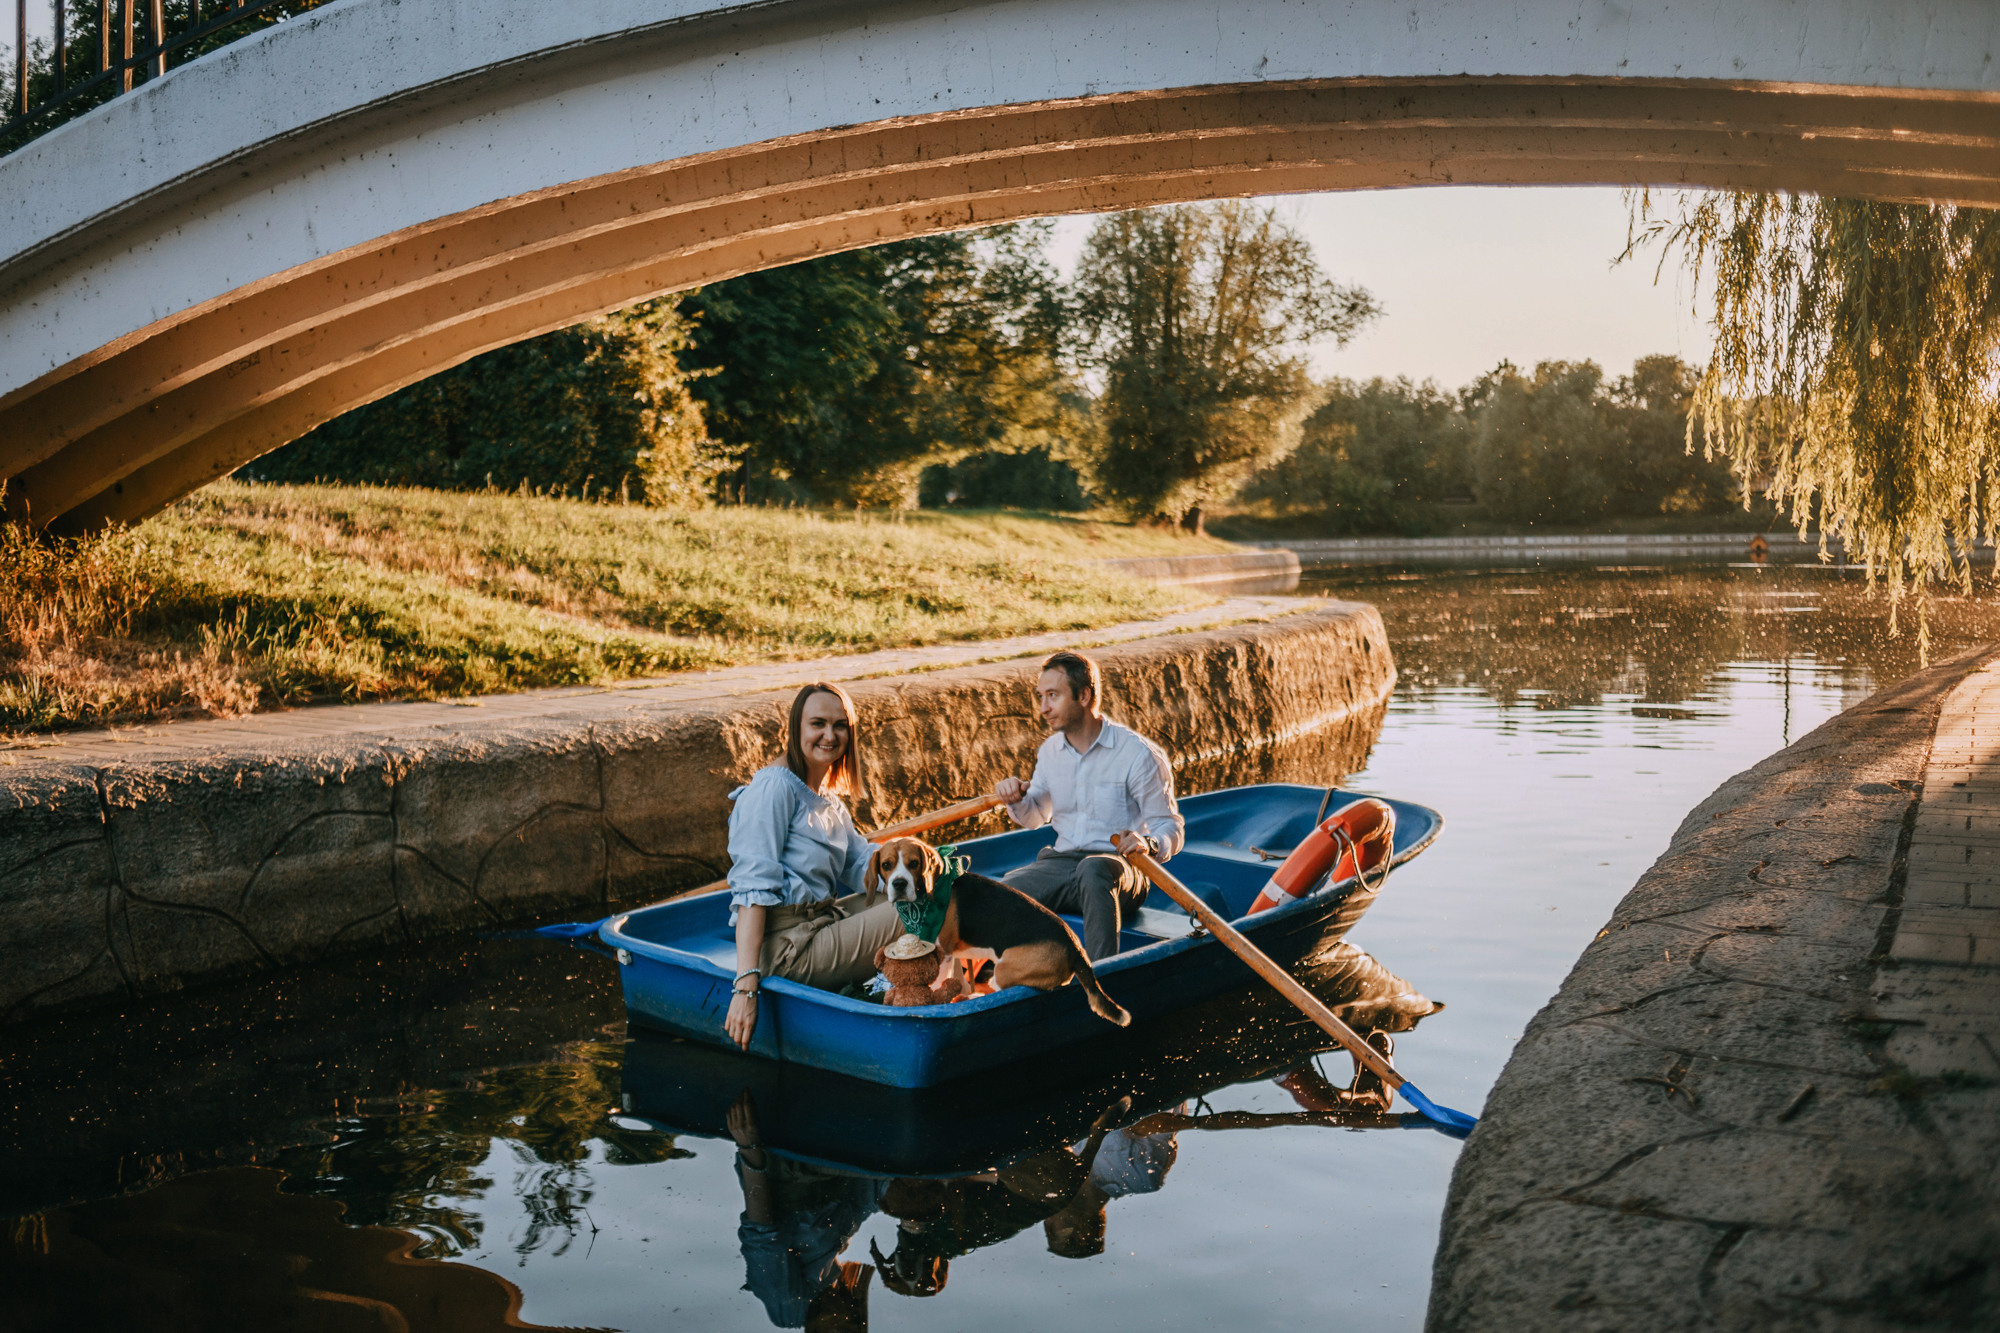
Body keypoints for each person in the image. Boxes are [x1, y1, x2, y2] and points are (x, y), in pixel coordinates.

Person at [726, 682, 905, 1050]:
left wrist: (915, 865)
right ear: (796, 729)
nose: (830, 735)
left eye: (840, 725)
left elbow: (859, 863)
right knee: (928, 905)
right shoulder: (774, 789)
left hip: (821, 923)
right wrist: (745, 986)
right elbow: (751, 891)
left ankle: (906, 981)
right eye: (818, 724)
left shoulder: (826, 798)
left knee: (926, 889)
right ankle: (913, 985)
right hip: (786, 950)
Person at [991, 651, 1184, 959]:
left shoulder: (1136, 754)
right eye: (1041, 696)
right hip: (1063, 864)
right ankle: (1006, 973)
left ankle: (1100, 981)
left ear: (1083, 695)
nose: (1043, 708)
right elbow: (1036, 816)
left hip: (1122, 871)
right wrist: (1015, 798)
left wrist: (1148, 842)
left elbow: (1170, 827)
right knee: (1006, 888)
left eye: (1053, 696)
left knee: (1093, 869)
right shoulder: (1050, 752)